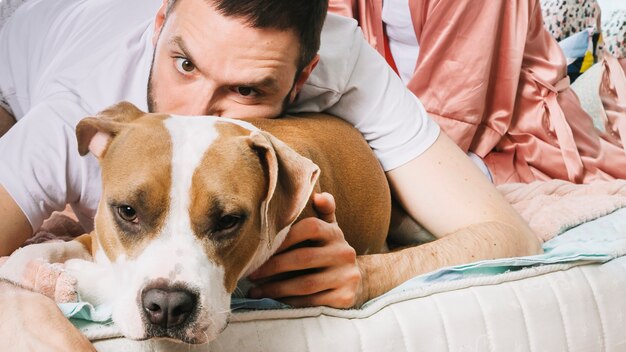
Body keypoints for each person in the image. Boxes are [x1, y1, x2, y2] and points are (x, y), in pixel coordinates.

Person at [0, 0, 541, 348]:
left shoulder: (344, 63)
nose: (196, 114)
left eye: (246, 90)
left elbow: (510, 235)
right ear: (161, 22)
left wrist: (371, 275)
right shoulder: (71, 109)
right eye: (184, 64)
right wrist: (25, 307)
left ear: (303, 77)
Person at [329, 0, 626, 185]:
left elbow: (453, 107)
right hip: (418, 119)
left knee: (422, 201)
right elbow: (334, 42)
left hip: (511, 135)